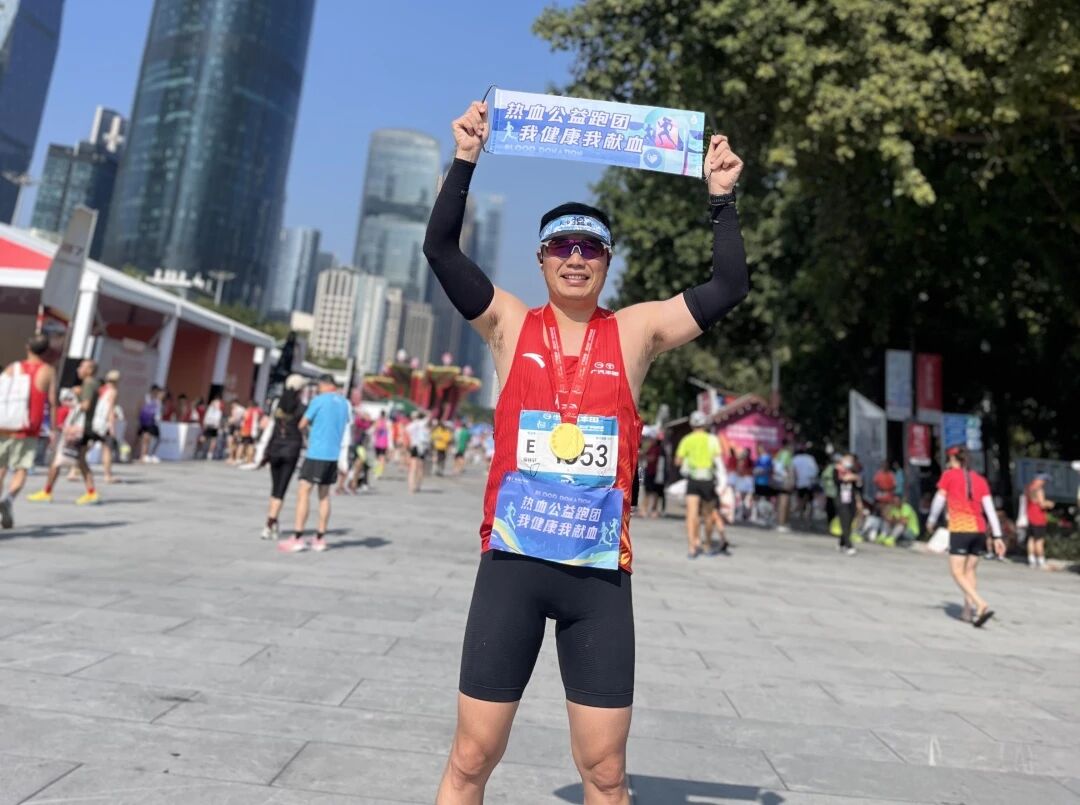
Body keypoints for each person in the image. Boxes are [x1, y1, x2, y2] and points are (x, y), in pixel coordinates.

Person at [423, 100, 747, 804]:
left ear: (607, 261)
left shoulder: (635, 331)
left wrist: (721, 200)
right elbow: (441, 251)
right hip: (513, 565)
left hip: (596, 577)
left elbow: (727, 287)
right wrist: (466, 158)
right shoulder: (508, 322)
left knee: (604, 772)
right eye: (562, 246)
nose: (576, 257)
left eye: (591, 247)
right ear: (542, 258)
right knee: (471, 758)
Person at [926, 445, 1003, 627]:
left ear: (953, 460)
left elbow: (939, 500)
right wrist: (997, 535)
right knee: (970, 571)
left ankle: (980, 603)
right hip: (979, 530)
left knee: (957, 572)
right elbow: (990, 510)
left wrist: (931, 520)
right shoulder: (980, 480)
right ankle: (967, 612)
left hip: (961, 529)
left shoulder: (949, 476)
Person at [280, 375, 351, 553]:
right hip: (332, 455)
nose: (318, 389)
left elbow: (302, 423)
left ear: (324, 385)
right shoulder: (344, 403)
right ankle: (320, 538)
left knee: (303, 491)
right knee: (324, 495)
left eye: (319, 386)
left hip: (317, 453)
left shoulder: (319, 400)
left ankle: (297, 537)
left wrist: (310, 430)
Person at [0, 335, 57, 529]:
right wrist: (54, 429)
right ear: (46, 351)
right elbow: (52, 401)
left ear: (27, 347)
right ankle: (8, 499)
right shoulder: (48, 371)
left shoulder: (13, 367)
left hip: (5, 425)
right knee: (21, 468)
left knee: (0, 468)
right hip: (28, 428)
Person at [28, 359, 101, 505]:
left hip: (77, 429)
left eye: (82, 366)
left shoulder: (88, 384)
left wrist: (73, 399)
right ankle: (91, 492)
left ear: (90, 370)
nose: (78, 369)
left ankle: (47, 492)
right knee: (81, 461)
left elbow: (85, 406)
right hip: (85, 428)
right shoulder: (93, 384)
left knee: (57, 460)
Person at [675, 411, 728, 557]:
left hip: (693, 480)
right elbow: (718, 460)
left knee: (691, 515)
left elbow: (678, 461)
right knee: (708, 515)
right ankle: (707, 544)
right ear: (705, 424)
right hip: (708, 481)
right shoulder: (712, 440)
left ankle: (692, 547)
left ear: (692, 425)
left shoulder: (687, 439)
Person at [262, 375, 306, 541]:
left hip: (275, 448)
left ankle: (273, 522)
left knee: (275, 488)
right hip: (291, 450)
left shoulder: (277, 404)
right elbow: (304, 427)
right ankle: (269, 524)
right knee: (281, 489)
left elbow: (270, 425)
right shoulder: (302, 407)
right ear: (300, 389)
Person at [835, 453, 862, 555]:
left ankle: (842, 542)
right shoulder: (837, 470)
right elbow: (837, 482)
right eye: (847, 459)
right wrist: (845, 478)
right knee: (845, 522)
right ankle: (849, 546)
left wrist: (857, 479)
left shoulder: (854, 472)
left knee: (850, 522)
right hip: (841, 500)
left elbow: (858, 488)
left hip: (852, 500)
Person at [97, 370, 121, 483]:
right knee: (107, 448)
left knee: (86, 447)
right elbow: (110, 408)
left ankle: (74, 470)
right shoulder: (113, 391)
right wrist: (112, 426)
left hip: (95, 420)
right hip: (104, 422)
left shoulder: (101, 389)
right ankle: (107, 475)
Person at [1024, 474, 1052, 568]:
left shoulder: (1028, 488)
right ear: (1039, 480)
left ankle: (1031, 560)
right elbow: (1042, 504)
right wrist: (1050, 504)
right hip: (1039, 519)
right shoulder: (1039, 490)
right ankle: (1041, 560)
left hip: (1030, 517)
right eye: (1044, 481)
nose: (1044, 483)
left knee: (1031, 539)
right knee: (1039, 540)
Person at [791, 445, 819, 521]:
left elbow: (792, 471)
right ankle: (809, 515)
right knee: (810, 500)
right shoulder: (810, 458)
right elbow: (815, 470)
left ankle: (801, 513)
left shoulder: (795, 459)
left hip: (799, 482)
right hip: (810, 482)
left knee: (800, 498)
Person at [406, 410, 431, 493]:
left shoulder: (412, 425)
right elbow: (429, 416)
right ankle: (418, 485)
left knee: (413, 468)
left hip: (414, 446)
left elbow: (407, 432)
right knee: (420, 467)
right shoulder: (424, 424)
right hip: (423, 447)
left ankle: (411, 487)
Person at [137, 385, 164, 463]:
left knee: (154, 439)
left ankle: (147, 455)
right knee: (146, 439)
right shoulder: (147, 398)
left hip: (154, 422)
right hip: (148, 421)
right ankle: (143, 456)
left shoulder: (158, 401)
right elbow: (140, 408)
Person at [372, 410, 391, 478]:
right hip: (384, 443)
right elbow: (390, 433)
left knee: (377, 457)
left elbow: (373, 431)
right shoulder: (388, 422)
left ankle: (376, 471)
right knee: (382, 458)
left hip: (377, 442)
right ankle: (379, 472)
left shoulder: (377, 421)